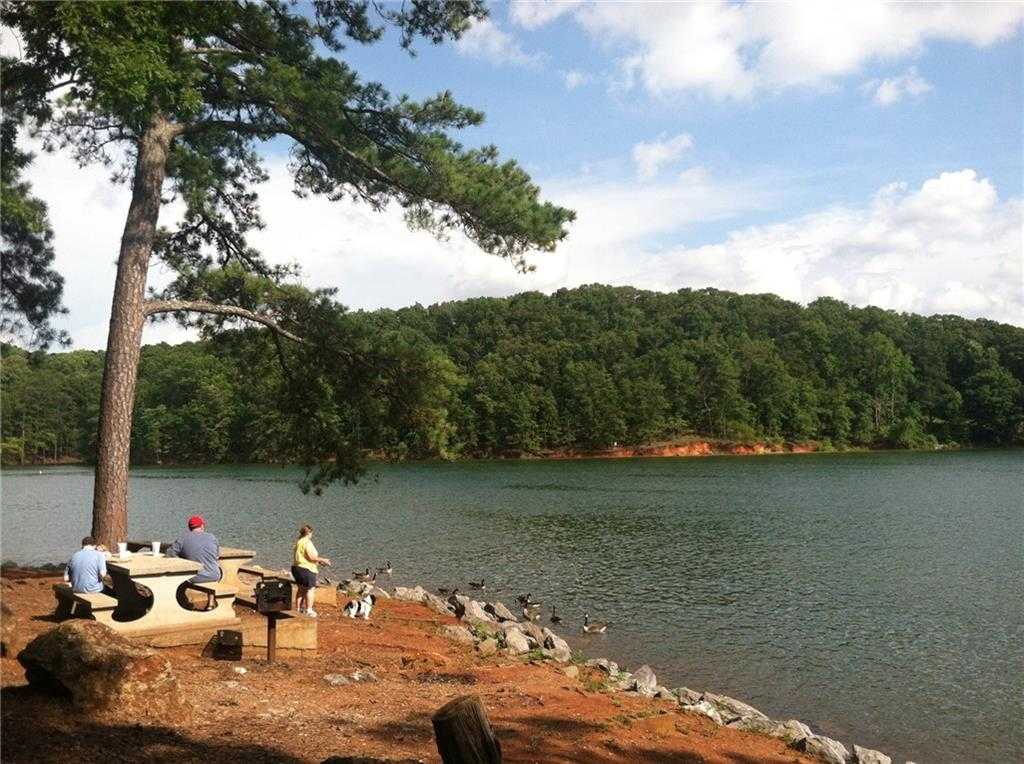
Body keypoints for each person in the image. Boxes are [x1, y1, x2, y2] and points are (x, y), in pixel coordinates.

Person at [166, 515, 222, 609]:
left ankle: (181, 602)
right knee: (212, 567)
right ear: (202, 526)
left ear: (189, 527)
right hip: (214, 575)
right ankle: (210, 603)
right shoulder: (212, 537)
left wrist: (182, 558)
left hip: (194, 577)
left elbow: (169, 553)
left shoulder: (183, 538)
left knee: (178, 578)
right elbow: (217, 556)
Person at [292, 524, 331, 617]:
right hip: (307, 569)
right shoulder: (307, 542)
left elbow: (304, 557)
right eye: (311, 533)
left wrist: (318, 561)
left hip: (297, 568)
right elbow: (311, 557)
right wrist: (323, 560)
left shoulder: (299, 541)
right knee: (310, 589)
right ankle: (309, 610)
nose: (312, 535)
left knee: (301, 589)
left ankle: (298, 609)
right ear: (309, 533)